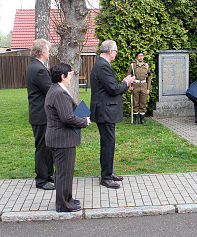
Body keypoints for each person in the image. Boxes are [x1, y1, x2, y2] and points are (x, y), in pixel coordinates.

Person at [45, 63, 90, 212]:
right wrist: (84, 121)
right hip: (62, 139)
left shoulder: (57, 90)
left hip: (60, 138)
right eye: (70, 74)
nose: (71, 76)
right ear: (63, 76)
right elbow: (67, 118)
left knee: (64, 172)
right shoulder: (59, 93)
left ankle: (67, 198)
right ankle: (63, 204)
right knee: (64, 173)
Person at [90, 40, 135, 189]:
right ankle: (106, 177)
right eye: (115, 51)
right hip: (105, 111)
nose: (116, 53)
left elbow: (110, 87)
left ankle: (108, 172)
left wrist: (122, 83)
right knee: (108, 143)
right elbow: (113, 89)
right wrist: (126, 83)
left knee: (108, 143)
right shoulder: (102, 65)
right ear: (110, 51)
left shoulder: (102, 64)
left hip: (105, 110)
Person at [26, 39, 54, 190]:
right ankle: (41, 180)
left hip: (40, 114)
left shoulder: (35, 66)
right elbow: (50, 90)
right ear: (42, 52)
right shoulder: (38, 69)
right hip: (41, 115)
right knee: (43, 148)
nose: (49, 53)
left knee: (47, 146)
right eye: (48, 50)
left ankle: (49, 174)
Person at [126, 51, 151, 125]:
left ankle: (142, 120)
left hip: (143, 85)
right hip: (136, 85)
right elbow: (128, 76)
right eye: (139, 56)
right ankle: (136, 119)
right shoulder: (132, 65)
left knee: (143, 103)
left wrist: (148, 88)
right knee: (135, 103)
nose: (141, 57)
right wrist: (130, 86)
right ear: (137, 57)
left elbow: (149, 77)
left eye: (142, 55)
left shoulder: (146, 65)